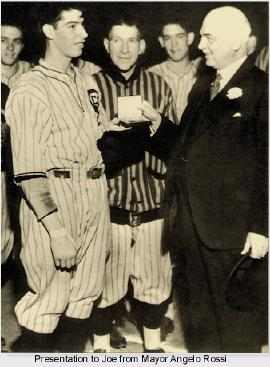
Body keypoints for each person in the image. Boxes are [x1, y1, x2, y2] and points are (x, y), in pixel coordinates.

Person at [5, 3, 117, 352]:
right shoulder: (29, 89)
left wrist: (114, 128)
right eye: (72, 25)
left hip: (94, 196)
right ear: (49, 32)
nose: (83, 33)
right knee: (46, 305)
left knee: (83, 300)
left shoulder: (83, 81)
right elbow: (28, 171)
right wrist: (56, 231)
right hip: (55, 202)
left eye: (82, 24)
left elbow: (86, 140)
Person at [165, 6, 268, 352]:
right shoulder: (203, 85)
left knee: (238, 328)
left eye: (209, 37)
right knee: (202, 328)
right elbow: (185, 150)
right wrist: (154, 125)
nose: (202, 45)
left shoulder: (261, 89)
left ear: (238, 44)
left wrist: (262, 226)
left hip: (235, 234)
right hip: (192, 231)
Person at [90, 14, 178, 353]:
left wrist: (155, 125)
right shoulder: (91, 85)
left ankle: (152, 348)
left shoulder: (159, 86)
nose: (124, 48)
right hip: (107, 206)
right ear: (106, 45)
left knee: (154, 284)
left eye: (131, 41)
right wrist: (106, 135)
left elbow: (175, 148)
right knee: (104, 284)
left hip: (152, 203)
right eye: (117, 40)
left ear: (142, 46)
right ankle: (100, 349)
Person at [1, 16, 31, 352]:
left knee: (24, 250)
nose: (9, 47)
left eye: (15, 41)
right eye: (2, 40)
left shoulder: (30, 74)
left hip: (24, 175)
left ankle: (28, 326)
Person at [149, 14, 200, 122]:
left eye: (180, 37)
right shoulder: (151, 75)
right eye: (167, 38)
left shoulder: (204, 73)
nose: (174, 44)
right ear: (161, 42)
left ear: (190, 38)